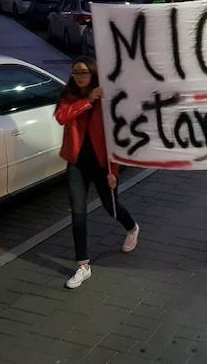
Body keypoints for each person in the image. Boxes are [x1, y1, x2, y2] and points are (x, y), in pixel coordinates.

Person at [55, 57, 139, 289]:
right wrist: (87, 101)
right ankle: (83, 266)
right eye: (75, 72)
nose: (79, 76)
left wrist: (114, 171)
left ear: (93, 74)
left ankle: (131, 227)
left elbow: (114, 138)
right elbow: (62, 116)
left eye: (84, 72)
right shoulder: (69, 95)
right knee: (78, 214)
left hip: (102, 165)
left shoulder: (107, 99)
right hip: (76, 165)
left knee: (111, 207)